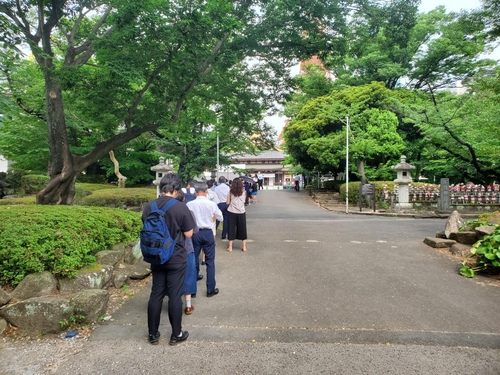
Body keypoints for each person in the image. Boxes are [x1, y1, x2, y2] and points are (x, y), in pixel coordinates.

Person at [142, 173, 195, 346]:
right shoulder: (180, 207)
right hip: (176, 258)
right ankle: (176, 335)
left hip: (155, 256)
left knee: (156, 293)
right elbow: (188, 234)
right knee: (174, 295)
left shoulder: (149, 207)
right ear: (175, 189)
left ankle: (153, 334)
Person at [187, 181, 224, 298]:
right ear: (206, 191)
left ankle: (192, 290)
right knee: (210, 262)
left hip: (195, 233)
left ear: (195, 191)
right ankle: (210, 289)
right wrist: (211, 220)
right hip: (208, 232)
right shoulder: (211, 204)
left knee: (193, 260)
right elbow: (221, 217)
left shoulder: (190, 204)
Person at [175, 190, 198, 315]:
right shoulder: (189, 212)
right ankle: (188, 305)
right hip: (187, 248)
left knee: (174, 277)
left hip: (171, 249)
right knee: (188, 275)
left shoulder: (166, 212)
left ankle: (175, 302)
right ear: (183, 199)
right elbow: (194, 231)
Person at [226, 178, 248, 252]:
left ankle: (230, 247)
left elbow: (227, 202)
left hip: (231, 212)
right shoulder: (244, 192)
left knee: (231, 228)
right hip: (241, 212)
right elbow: (245, 202)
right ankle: (244, 247)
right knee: (243, 228)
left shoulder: (230, 192)